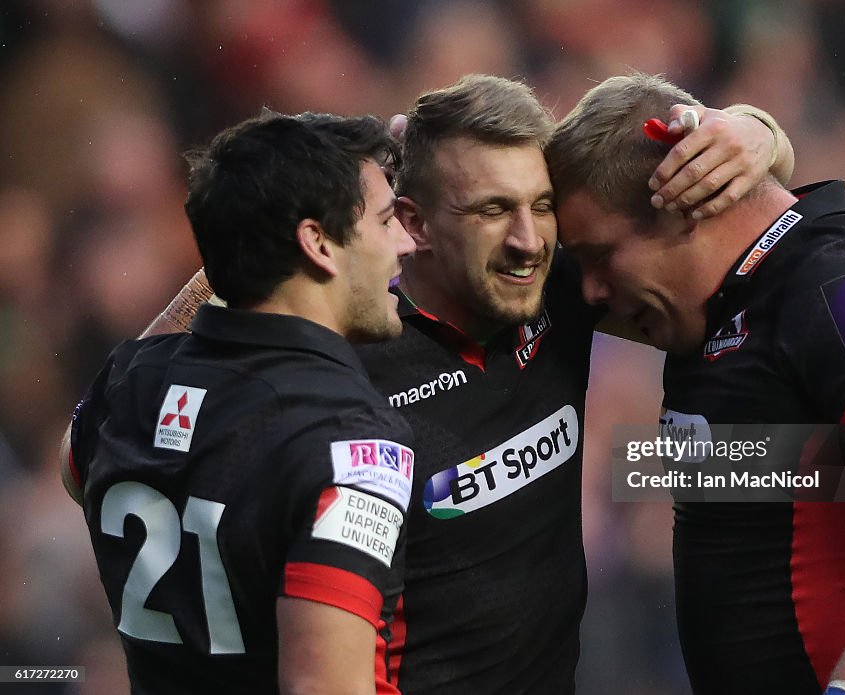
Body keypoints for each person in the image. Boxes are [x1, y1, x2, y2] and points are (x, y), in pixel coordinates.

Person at [90, 73, 795, 694]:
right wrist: (248, 241)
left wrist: (757, 134)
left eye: (541, 205)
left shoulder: (557, 284)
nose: (527, 238)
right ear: (413, 223)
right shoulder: (331, 380)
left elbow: (734, 243)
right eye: (491, 210)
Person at [548, 72, 845, 695]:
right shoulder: (709, 310)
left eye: (598, 258)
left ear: (688, 198)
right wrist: (760, 128)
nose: (590, 291)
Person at [60, 111, 417, 694]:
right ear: (318, 242)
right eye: (384, 221)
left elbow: (72, 467)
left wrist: (242, 246)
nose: (404, 241)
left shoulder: (129, 381)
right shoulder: (352, 437)